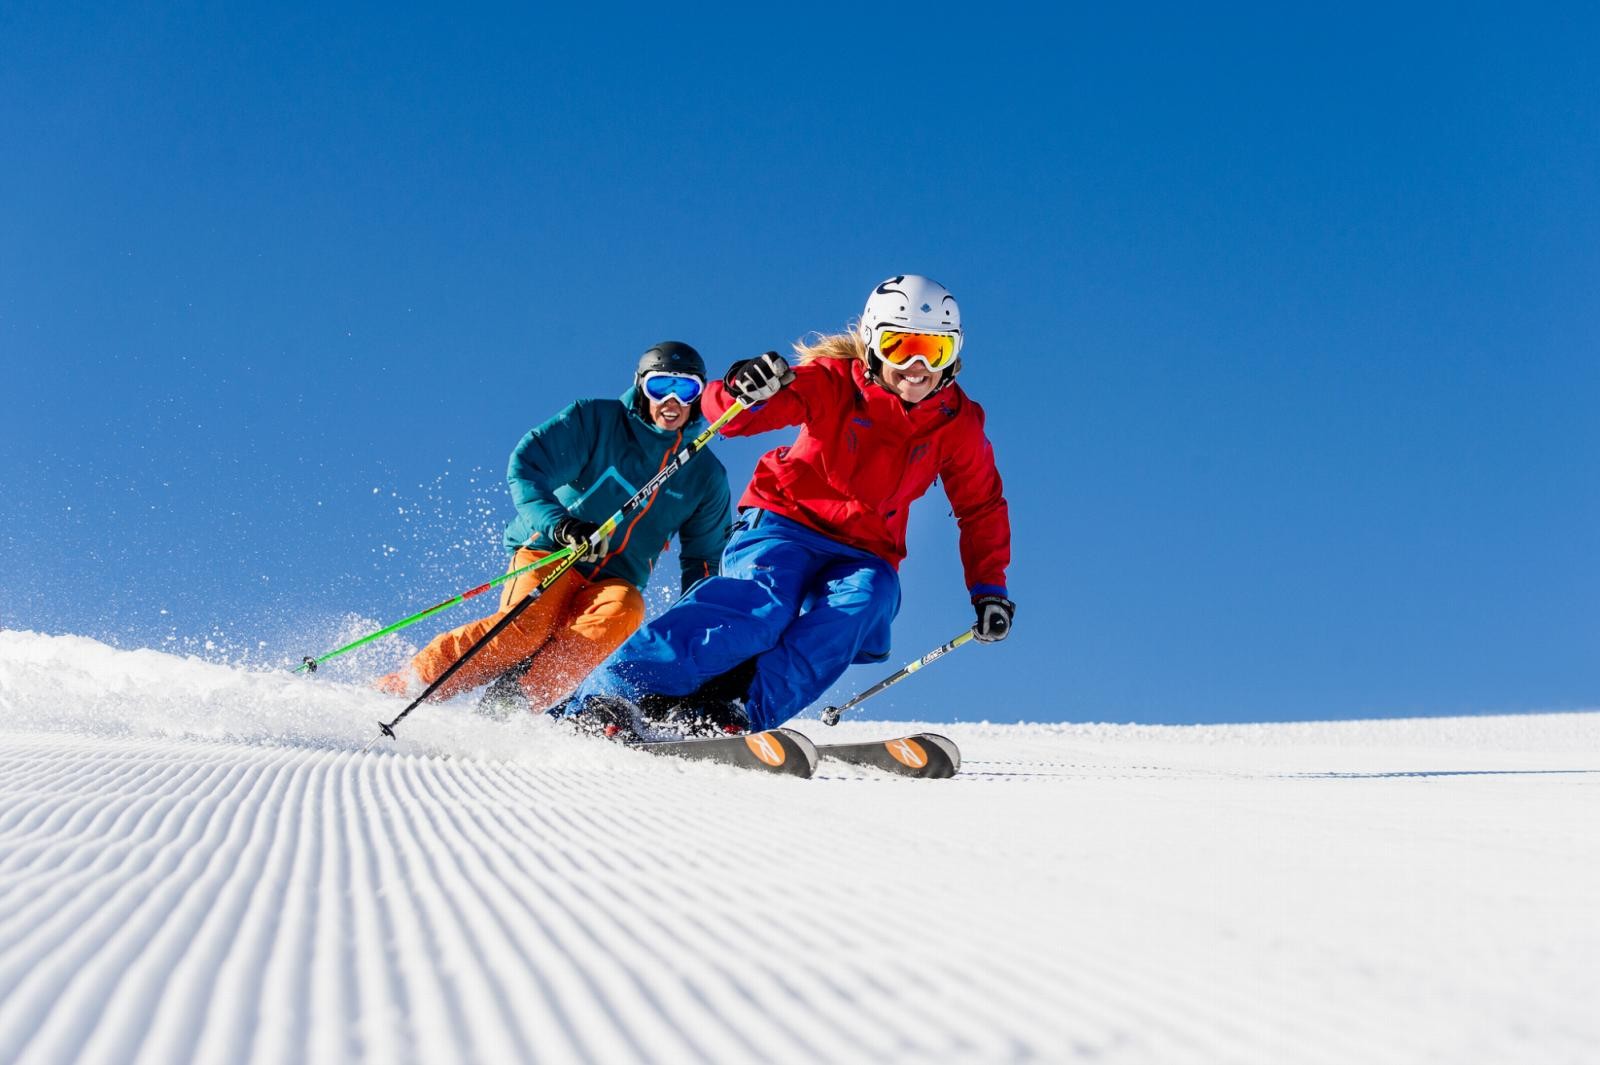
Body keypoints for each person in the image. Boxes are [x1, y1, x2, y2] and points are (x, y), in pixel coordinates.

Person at [563, 275, 1013, 736]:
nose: (917, 366)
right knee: (763, 606)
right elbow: (734, 421)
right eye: (901, 348)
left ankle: (734, 708)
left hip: (865, 551)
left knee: (865, 603)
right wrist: (741, 389)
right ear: (873, 346)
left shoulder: (958, 423)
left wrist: (988, 589)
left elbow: (981, 506)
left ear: (954, 356)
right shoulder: (834, 382)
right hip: (783, 523)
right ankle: (613, 691)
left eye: (934, 351)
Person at [375, 341, 733, 711]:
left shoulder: (704, 475)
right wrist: (561, 525)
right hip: (554, 549)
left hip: (615, 580)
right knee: (524, 630)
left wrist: (702, 625)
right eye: (659, 386)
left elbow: (704, 560)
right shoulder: (597, 421)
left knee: (624, 611)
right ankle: (412, 681)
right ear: (640, 385)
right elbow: (527, 465)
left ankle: (514, 702)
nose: (671, 400)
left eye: (686, 388)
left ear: (700, 395)